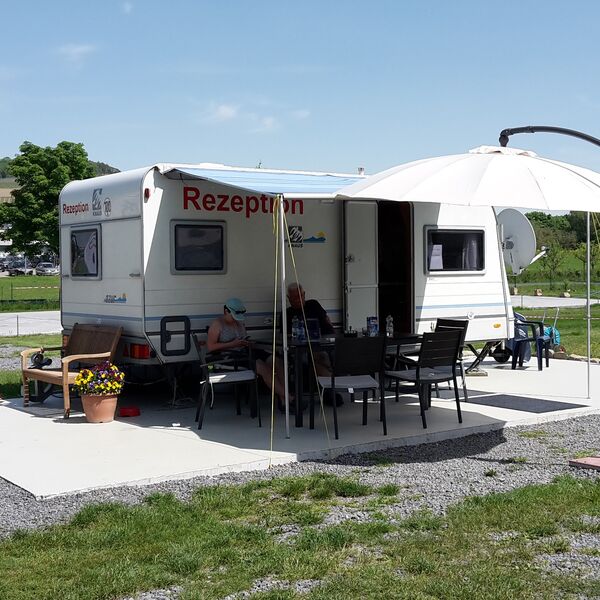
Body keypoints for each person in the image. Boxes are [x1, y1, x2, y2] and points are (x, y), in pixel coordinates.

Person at [207, 297, 292, 412]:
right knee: (263, 368)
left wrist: (246, 342)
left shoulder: (239, 323)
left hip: (245, 351)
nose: (235, 319)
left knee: (276, 361)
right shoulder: (217, 324)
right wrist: (232, 344)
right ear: (226, 311)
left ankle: (283, 399)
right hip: (230, 357)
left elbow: (243, 338)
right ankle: (289, 398)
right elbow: (211, 347)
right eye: (233, 316)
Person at [285, 283, 343, 406]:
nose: (298, 299)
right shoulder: (287, 313)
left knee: (324, 356)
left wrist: (332, 336)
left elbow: (328, 322)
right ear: (288, 298)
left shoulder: (313, 305)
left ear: (304, 294)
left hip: (326, 343)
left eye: (300, 296)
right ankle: (331, 390)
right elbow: (286, 337)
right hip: (302, 349)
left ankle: (329, 389)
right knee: (317, 356)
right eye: (294, 297)